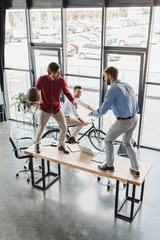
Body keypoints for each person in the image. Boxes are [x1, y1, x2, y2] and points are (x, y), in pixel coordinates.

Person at [89, 66, 140, 178]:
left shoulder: (113, 89)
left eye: (105, 76)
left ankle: (109, 165)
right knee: (127, 143)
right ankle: (135, 168)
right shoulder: (128, 85)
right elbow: (133, 103)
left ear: (110, 77)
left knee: (108, 139)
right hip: (134, 119)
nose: (104, 78)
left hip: (124, 122)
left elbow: (103, 110)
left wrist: (93, 113)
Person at [35, 62, 77, 154]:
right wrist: (32, 99)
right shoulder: (41, 79)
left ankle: (61, 145)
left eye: (59, 72)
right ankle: (37, 144)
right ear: (51, 72)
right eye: (57, 72)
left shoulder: (61, 81)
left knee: (64, 127)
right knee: (41, 128)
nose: (59, 74)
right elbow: (36, 90)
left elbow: (67, 92)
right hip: (44, 108)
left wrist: (73, 101)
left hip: (56, 108)